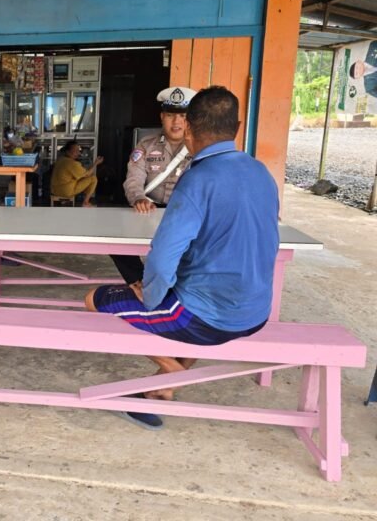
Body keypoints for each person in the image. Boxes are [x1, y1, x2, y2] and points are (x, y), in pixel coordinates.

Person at [87, 86, 279, 430]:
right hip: (256, 312)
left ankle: (174, 375)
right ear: (236, 126)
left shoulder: (199, 178)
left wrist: (152, 296)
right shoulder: (261, 172)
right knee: (189, 296)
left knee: (93, 299)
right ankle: (160, 391)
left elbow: (162, 258)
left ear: (188, 126)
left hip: (207, 317)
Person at [110, 86, 196, 285]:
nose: (176, 122)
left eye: (182, 116)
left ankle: (179, 289)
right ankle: (141, 284)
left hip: (186, 215)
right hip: (149, 211)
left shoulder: (200, 146)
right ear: (161, 117)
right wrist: (138, 197)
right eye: (170, 116)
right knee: (116, 244)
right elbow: (134, 179)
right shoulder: (145, 145)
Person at [50, 140, 104, 207]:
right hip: (66, 191)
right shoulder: (72, 163)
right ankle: (85, 202)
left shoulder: (60, 159)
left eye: (78, 150)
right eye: (75, 150)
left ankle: (64, 201)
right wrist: (96, 163)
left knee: (77, 179)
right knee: (93, 178)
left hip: (54, 190)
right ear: (67, 151)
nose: (78, 153)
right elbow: (87, 174)